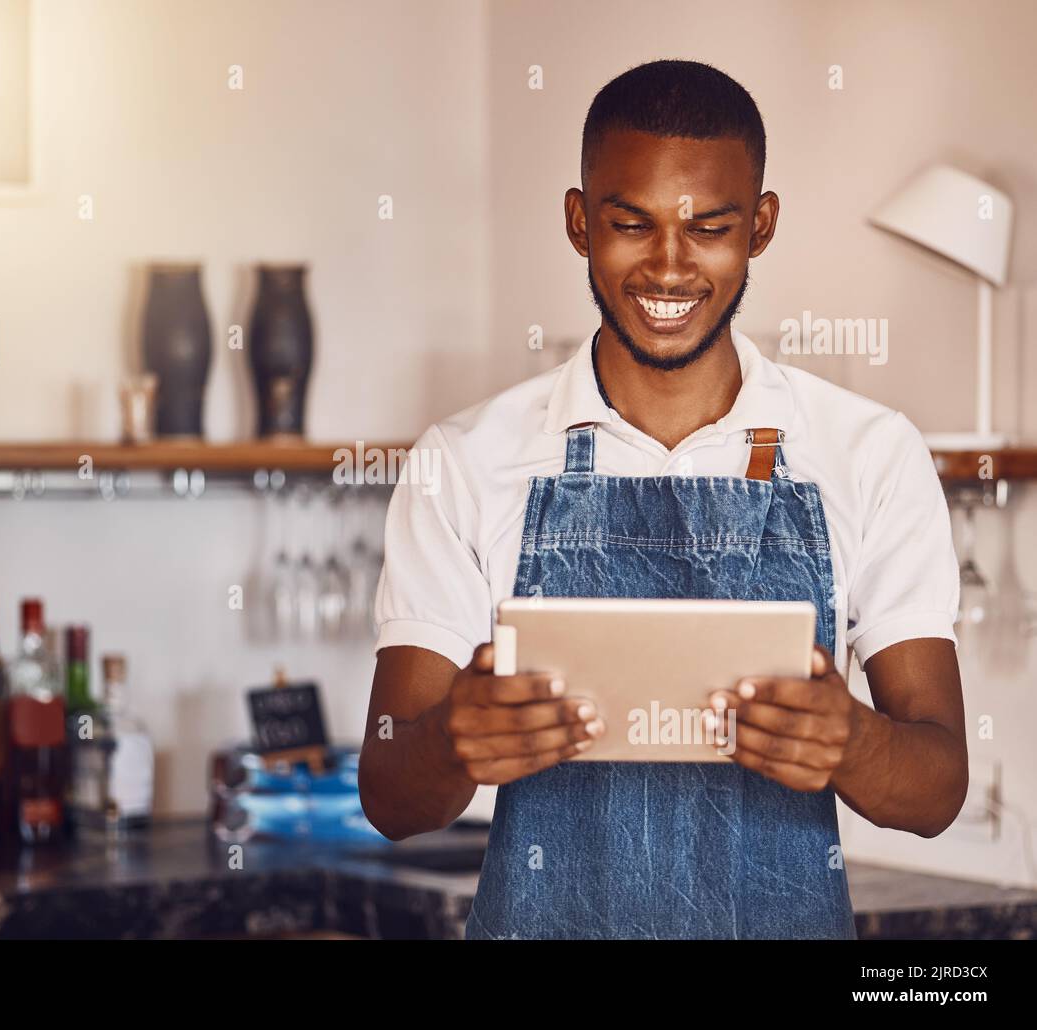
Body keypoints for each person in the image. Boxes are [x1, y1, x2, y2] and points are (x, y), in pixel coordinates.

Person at [358, 59, 967, 940]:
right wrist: (452, 741)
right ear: (578, 222)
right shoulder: (462, 461)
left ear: (760, 226)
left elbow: (937, 787)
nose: (670, 267)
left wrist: (855, 743)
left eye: (711, 227)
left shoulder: (871, 453)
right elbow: (389, 791)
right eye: (630, 224)